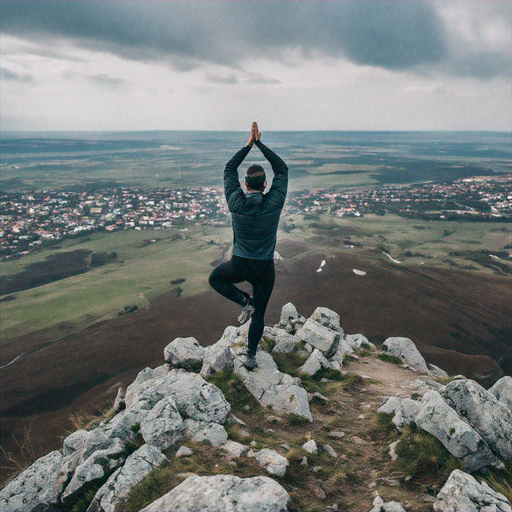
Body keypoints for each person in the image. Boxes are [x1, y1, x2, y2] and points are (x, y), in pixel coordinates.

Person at [208, 122, 288, 370]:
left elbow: (229, 168)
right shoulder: (273, 203)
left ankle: (244, 302)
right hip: (265, 268)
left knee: (215, 279)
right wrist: (260, 144)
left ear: (245, 185)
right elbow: (282, 170)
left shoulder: (236, 203)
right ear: (265, 185)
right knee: (260, 314)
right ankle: (251, 356)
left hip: (240, 264)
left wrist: (248, 144)